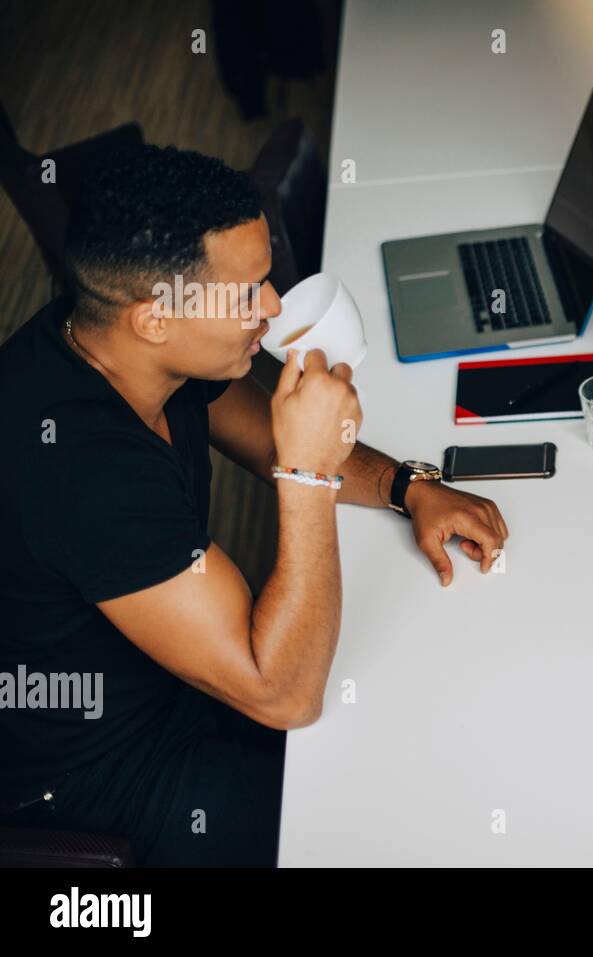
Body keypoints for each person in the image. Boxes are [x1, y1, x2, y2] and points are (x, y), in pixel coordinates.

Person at [0, 145, 509, 865]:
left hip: (175, 684)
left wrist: (409, 487)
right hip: (96, 775)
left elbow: (263, 431)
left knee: (425, 705)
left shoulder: (127, 345)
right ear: (155, 318)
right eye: (247, 294)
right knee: (391, 819)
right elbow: (285, 695)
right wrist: (308, 477)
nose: (272, 307)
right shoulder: (82, 473)